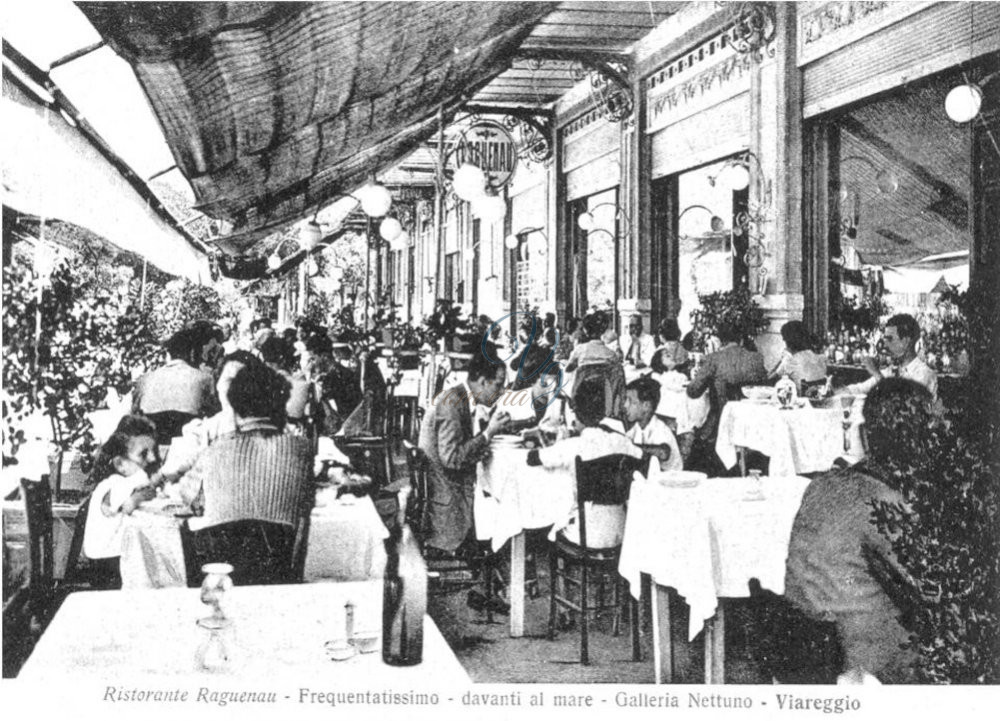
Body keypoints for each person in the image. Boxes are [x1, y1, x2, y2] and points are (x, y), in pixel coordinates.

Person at [784, 378, 934, 683]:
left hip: (801, 650)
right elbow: (930, 593)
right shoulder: (889, 504)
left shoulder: (820, 486)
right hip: (862, 667)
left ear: (865, 435)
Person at [177, 362, 314, 533]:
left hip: (221, 555)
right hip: (281, 557)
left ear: (234, 404)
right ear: (281, 404)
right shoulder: (301, 449)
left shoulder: (214, 450)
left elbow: (186, 495)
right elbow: (306, 500)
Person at [526, 377, 643, 548]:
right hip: (621, 532)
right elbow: (641, 456)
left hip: (584, 534)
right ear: (603, 412)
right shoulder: (623, 442)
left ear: (575, 413)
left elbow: (533, 459)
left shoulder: (573, 446)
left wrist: (552, 441)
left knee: (551, 526)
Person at [418, 347, 511, 557]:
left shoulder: (457, 397)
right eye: (498, 385)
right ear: (481, 382)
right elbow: (451, 459)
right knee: (504, 511)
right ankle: (501, 573)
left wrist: (481, 444)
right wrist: (488, 434)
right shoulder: (451, 404)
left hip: (449, 490)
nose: (502, 391)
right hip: (448, 506)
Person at [154, 351, 261, 484]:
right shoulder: (202, 431)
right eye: (230, 381)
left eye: (244, 381)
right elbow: (172, 471)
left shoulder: (274, 428)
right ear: (218, 386)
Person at [82, 416, 161, 580]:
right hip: (107, 562)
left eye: (154, 451)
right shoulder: (115, 484)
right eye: (144, 454)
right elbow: (128, 503)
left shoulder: (120, 483)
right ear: (120, 464)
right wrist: (143, 492)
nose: (152, 459)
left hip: (108, 558)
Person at [686, 321, 767, 472]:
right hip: (754, 422)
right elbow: (764, 387)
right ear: (742, 339)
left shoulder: (713, 359)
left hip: (720, 423)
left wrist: (700, 377)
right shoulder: (757, 358)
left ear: (720, 340)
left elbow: (693, 391)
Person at [132, 328, 219, 441]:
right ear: (192, 353)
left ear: (168, 354)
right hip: (189, 445)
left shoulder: (145, 380)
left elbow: (134, 415)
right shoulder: (205, 379)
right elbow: (214, 414)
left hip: (154, 446)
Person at [841, 313, 938, 401]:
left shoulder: (925, 374)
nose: (885, 345)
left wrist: (876, 374)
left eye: (890, 339)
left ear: (906, 341)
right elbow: (859, 389)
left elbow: (900, 406)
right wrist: (834, 389)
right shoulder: (891, 371)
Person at [623, 376, 682, 472]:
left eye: (631, 401)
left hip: (670, 481)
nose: (625, 405)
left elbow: (663, 452)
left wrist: (630, 447)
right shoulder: (637, 428)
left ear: (646, 406)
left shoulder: (660, 429)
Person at [768, 320, 828, 391]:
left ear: (788, 341)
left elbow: (769, 380)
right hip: (818, 400)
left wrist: (782, 360)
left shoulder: (790, 361)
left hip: (799, 400)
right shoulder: (821, 358)